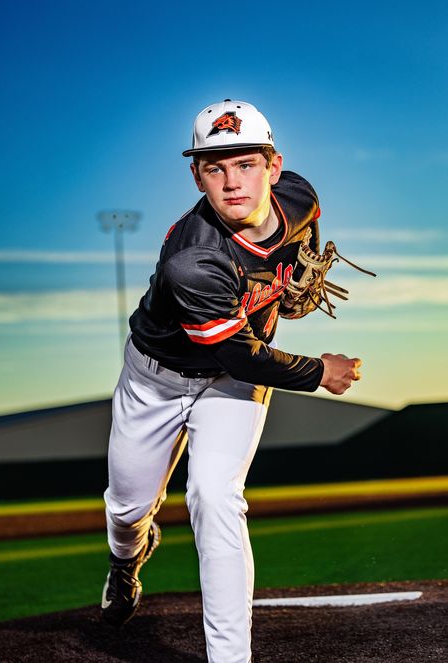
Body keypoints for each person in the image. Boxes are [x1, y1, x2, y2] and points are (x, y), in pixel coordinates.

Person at [101, 99, 361, 663]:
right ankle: (126, 562)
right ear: (196, 175)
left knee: (215, 496)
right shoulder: (191, 260)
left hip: (228, 387)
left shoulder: (300, 196)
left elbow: (297, 254)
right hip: (157, 381)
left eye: (245, 164)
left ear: (274, 166)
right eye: (214, 168)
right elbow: (244, 355)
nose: (232, 181)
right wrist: (320, 371)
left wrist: (294, 291)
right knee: (126, 511)